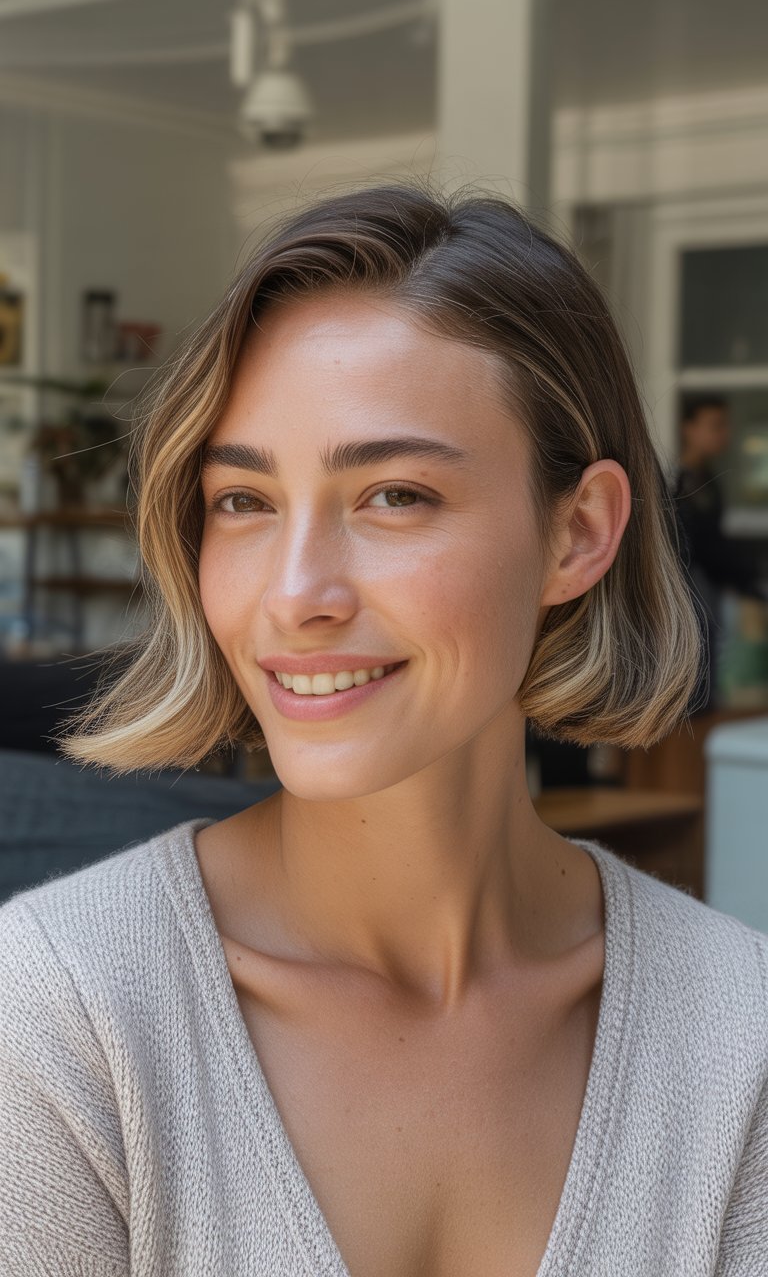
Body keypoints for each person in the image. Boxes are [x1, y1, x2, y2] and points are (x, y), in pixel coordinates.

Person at [1, 184, 766, 1277]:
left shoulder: (740, 1031)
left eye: (395, 496)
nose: (297, 592)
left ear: (578, 532)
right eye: (244, 503)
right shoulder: (65, 1014)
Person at [672, 393, 768, 708]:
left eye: (725, 426)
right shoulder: (677, 483)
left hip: (708, 594)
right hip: (686, 598)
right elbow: (696, 548)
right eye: (715, 425)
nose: (723, 433)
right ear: (689, 428)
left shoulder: (708, 480)